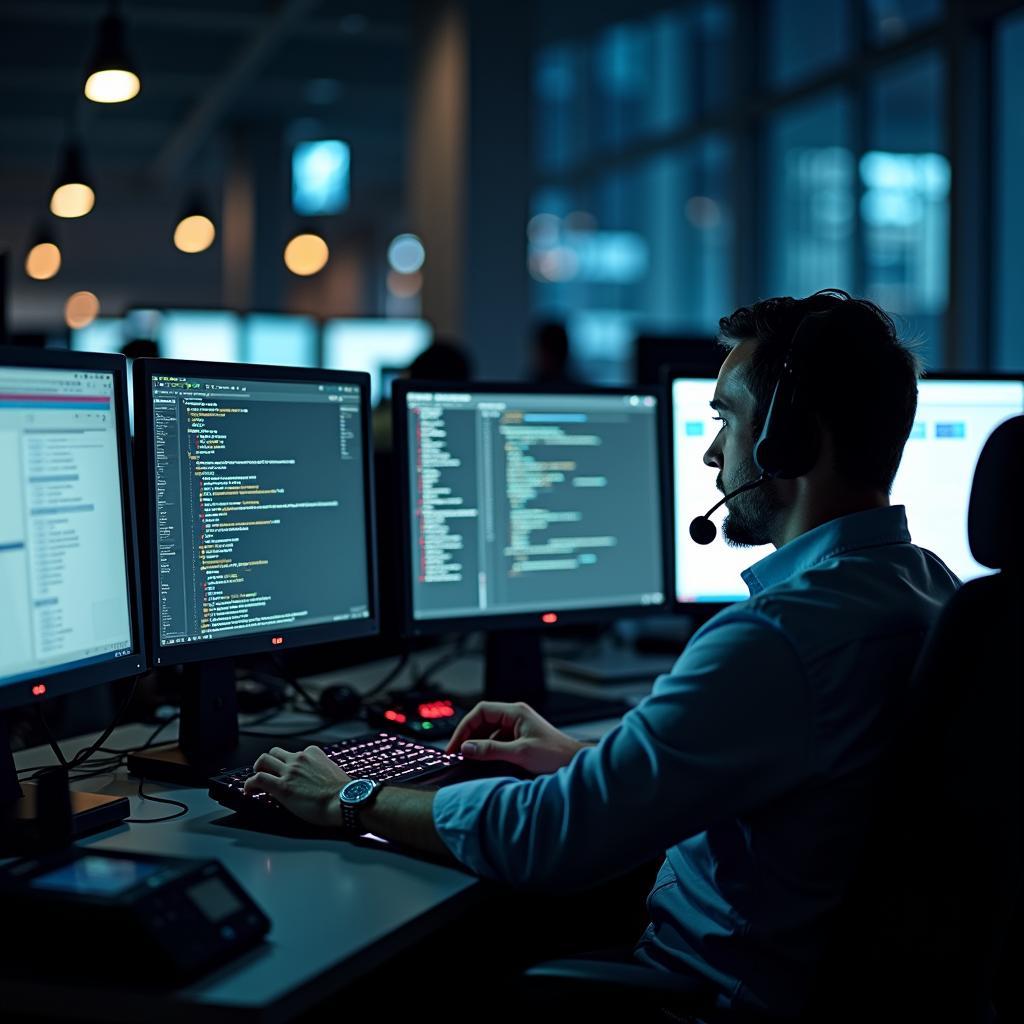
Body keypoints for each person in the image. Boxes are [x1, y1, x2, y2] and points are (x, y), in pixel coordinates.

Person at [244, 290, 960, 1016]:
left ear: (788, 441)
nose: (713, 452)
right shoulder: (932, 592)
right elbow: (785, 779)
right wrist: (586, 762)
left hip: (708, 996)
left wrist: (348, 796)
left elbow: (553, 839)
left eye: (726, 419)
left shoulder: (777, 637)